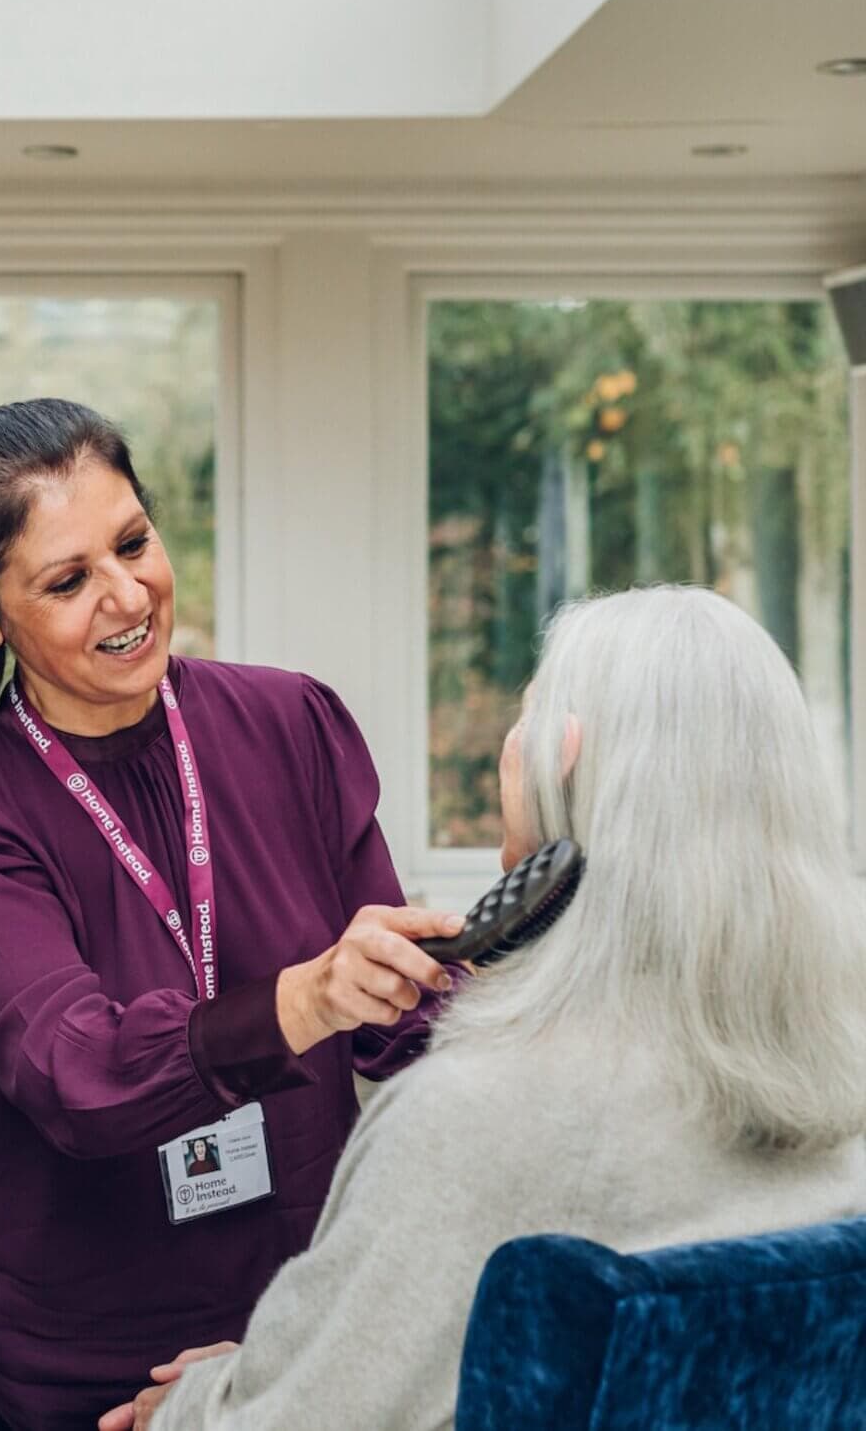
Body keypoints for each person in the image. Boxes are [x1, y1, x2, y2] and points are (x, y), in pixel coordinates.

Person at [100, 585, 866, 1431]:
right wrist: (278, 1361)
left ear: (560, 759)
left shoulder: (473, 1119)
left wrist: (198, 1404)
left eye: (523, 716)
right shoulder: (843, 1072)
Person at [0, 398, 466, 1431]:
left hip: (293, 1326)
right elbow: (79, 1079)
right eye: (67, 580)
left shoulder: (292, 724)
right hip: (80, 1358)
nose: (126, 594)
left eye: (133, 543)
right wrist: (302, 1000)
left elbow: (406, 1032)